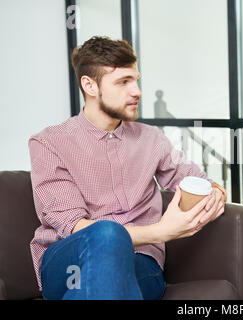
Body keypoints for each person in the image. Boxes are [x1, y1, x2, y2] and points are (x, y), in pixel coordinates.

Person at [28, 36, 227, 300]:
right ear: (89, 85)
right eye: (123, 82)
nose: (137, 91)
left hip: (140, 261)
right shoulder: (49, 143)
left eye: (136, 79)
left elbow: (198, 180)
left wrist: (215, 194)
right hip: (68, 260)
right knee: (107, 234)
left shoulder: (152, 139)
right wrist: (161, 232)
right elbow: (74, 227)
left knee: (101, 287)